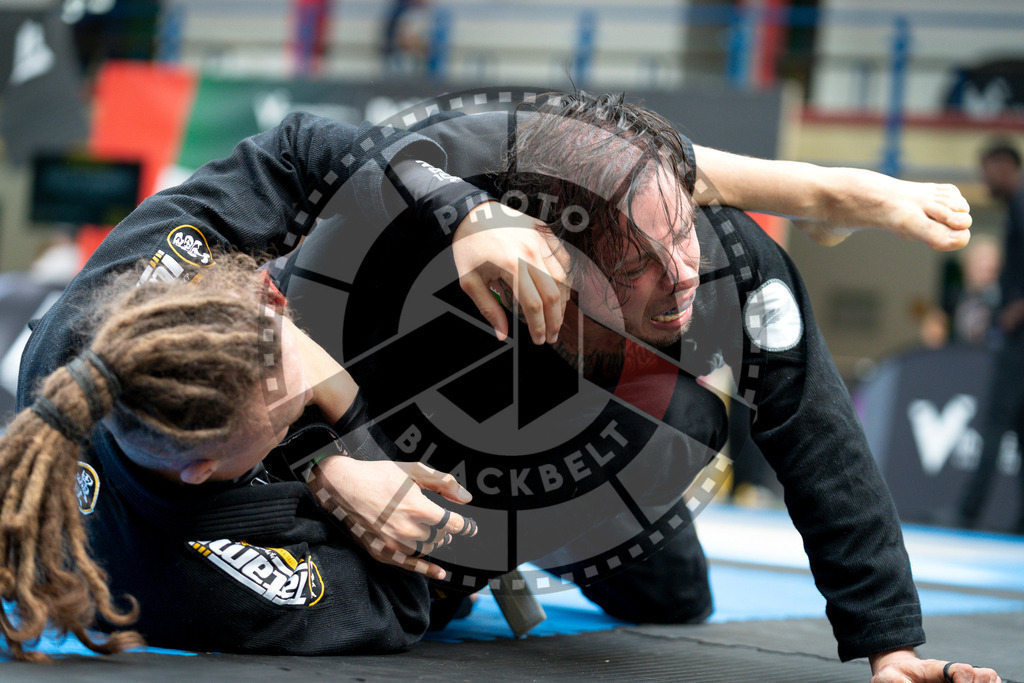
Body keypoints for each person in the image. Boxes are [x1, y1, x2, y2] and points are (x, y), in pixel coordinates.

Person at [13, 92, 990, 681]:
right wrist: (381, 489)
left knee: (540, 158)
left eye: (279, 336)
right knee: (672, 591)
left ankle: (818, 189)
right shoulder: (206, 579)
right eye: (293, 392)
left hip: (435, 309)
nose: (689, 274)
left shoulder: (146, 289)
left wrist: (883, 633)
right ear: (218, 470)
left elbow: (312, 145)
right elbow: (409, 605)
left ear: (257, 295)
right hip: (484, 488)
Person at [0, 252, 478, 661]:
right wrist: (345, 438)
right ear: (201, 471)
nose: (315, 389)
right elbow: (400, 606)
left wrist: (465, 209)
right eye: (285, 422)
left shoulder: (65, 348)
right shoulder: (222, 588)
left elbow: (292, 152)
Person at [950, 142, 1024, 533]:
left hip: (1019, 340)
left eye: (986, 170)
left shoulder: (1022, 201)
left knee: (995, 425)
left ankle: (968, 512)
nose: (984, 180)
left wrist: (1015, 308)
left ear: (1004, 165)